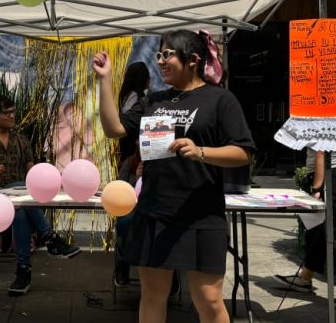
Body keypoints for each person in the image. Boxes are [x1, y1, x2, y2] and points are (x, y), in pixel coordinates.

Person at [93, 29, 255, 323]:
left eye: (167, 54)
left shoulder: (220, 100)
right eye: (159, 55)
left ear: (192, 59)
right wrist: (104, 80)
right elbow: (113, 129)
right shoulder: (153, 101)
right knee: (154, 295)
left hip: (202, 215)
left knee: (208, 299)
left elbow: (243, 152)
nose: (161, 62)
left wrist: (202, 151)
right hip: (154, 213)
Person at [0, 95, 81, 296]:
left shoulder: (22, 141)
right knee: (19, 194)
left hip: (19, 201)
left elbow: (32, 174)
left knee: (19, 208)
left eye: (13, 112)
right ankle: (49, 238)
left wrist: (51, 179)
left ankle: (23, 271)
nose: (12, 116)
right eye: (6, 113)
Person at [275, 149, 336, 309]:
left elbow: (321, 151)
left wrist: (316, 189)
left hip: (328, 176)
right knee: (318, 228)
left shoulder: (321, 123)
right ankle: (305, 277)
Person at [114, 62, 149, 286]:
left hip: (136, 159)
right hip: (131, 159)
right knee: (126, 219)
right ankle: (123, 264)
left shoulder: (127, 95)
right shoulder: (137, 98)